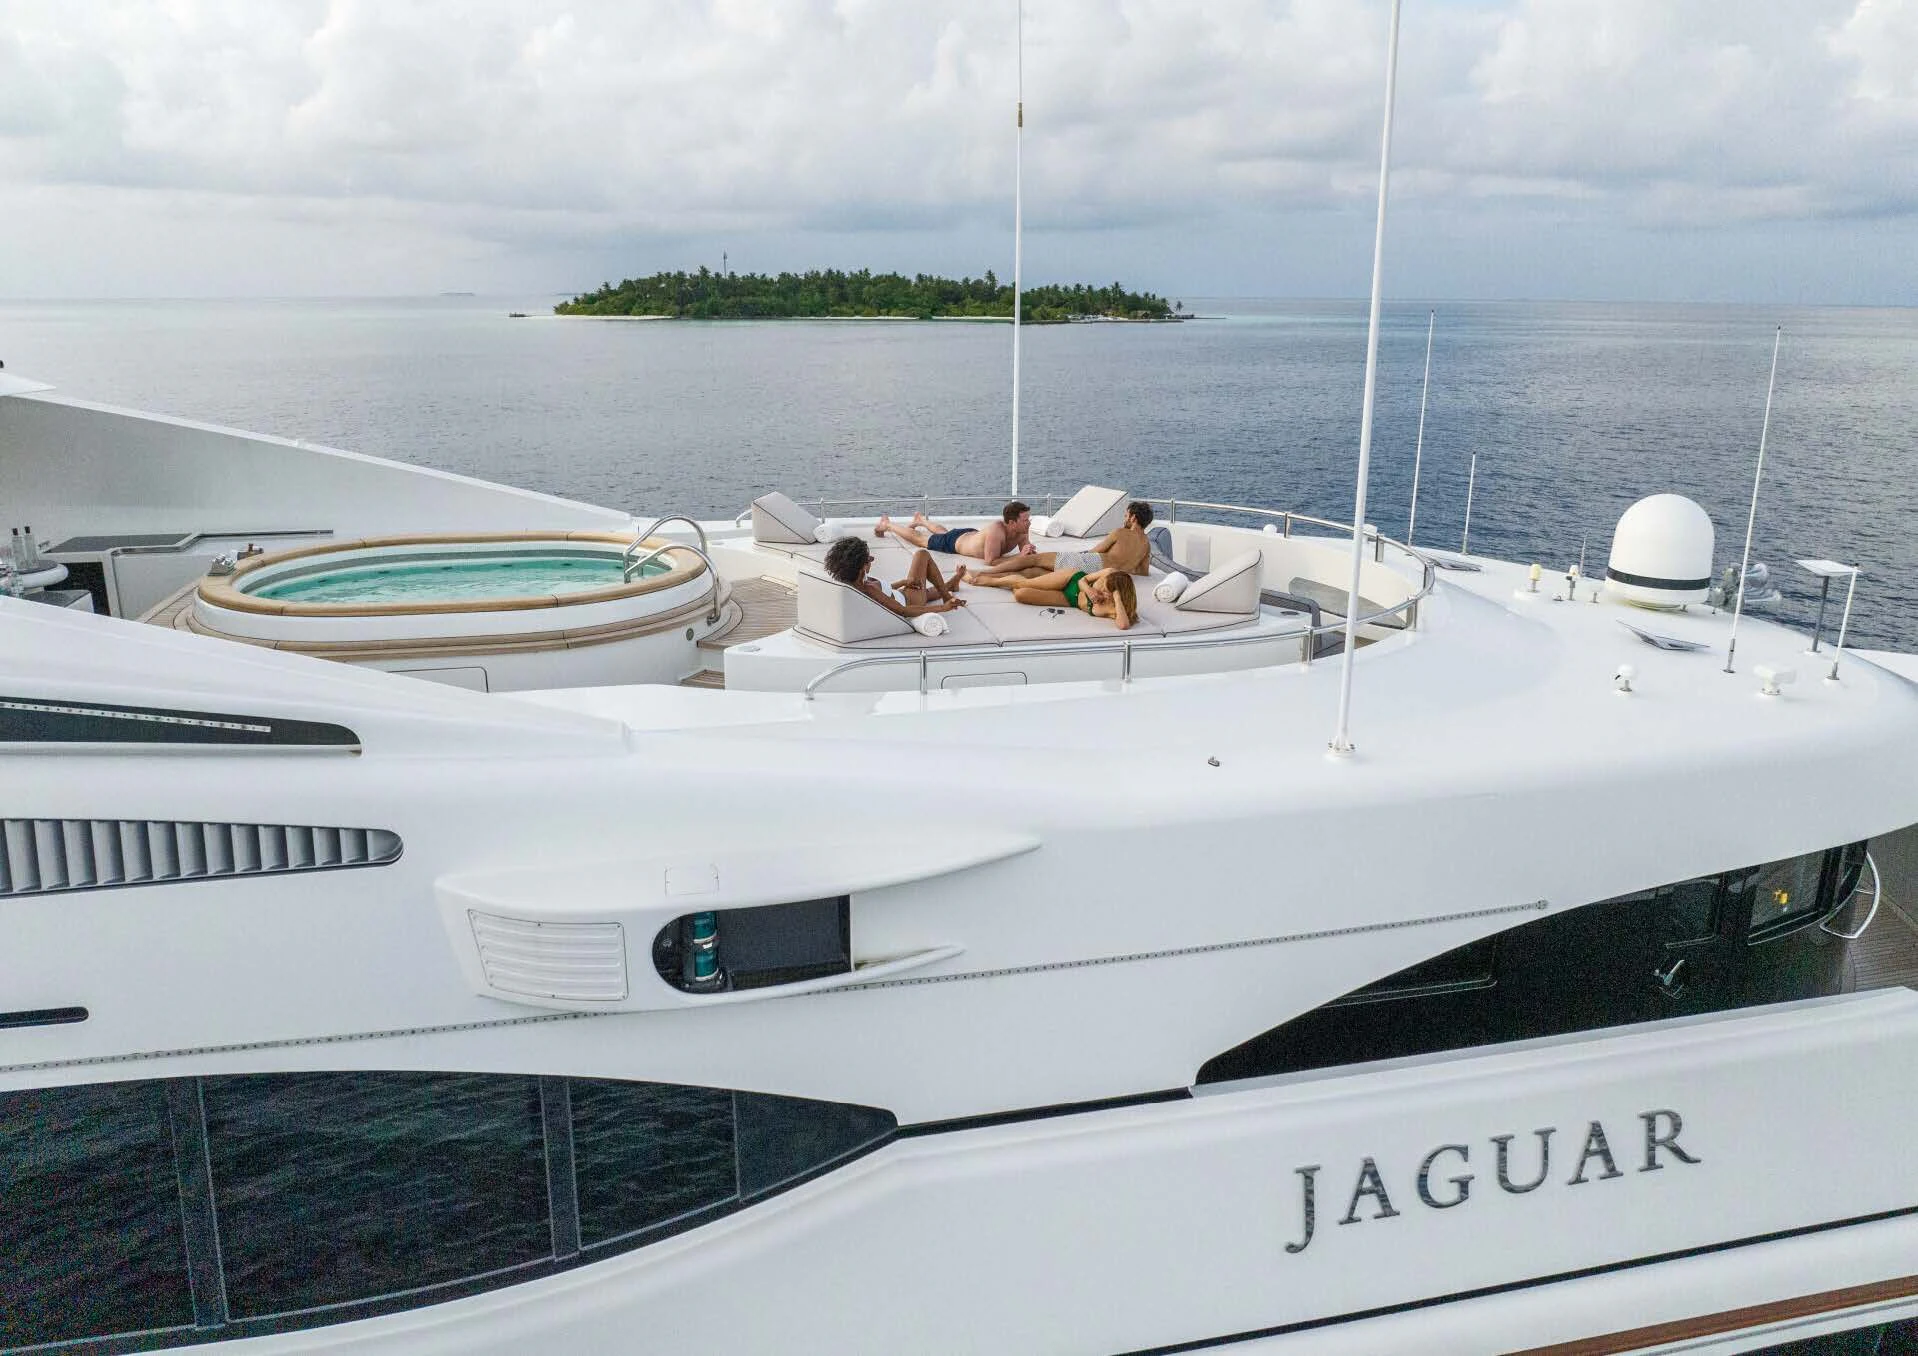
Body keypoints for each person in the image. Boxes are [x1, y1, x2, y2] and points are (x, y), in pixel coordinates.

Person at [963, 500, 1155, 587]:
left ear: (1133, 518)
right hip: (1101, 575)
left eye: (1126, 515)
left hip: (1091, 563)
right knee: (1035, 574)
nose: (1125, 518)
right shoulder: (1146, 544)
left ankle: (982, 574)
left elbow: (1097, 551)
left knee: (1035, 560)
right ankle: (983, 582)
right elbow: (1143, 572)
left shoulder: (1120, 533)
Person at [822, 536, 967, 618]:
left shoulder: (852, 580)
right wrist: (943, 607)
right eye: (869, 559)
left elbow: (884, 591)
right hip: (910, 601)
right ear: (862, 566)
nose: (872, 560)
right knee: (922, 555)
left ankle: (952, 584)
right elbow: (903, 611)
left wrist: (904, 582)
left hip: (902, 593)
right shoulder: (868, 589)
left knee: (924, 590)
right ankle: (947, 595)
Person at [876, 501, 1034, 564]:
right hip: (956, 543)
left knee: (943, 533)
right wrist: (1019, 556)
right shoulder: (997, 531)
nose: (1029, 522)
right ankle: (888, 524)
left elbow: (1027, 555)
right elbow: (990, 561)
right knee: (921, 540)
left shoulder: (1022, 531)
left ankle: (921, 520)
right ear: (1012, 523)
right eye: (1025, 520)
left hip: (969, 535)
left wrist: (1029, 553)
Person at [1011, 565, 1138, 630]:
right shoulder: (1110, 573)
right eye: (1102, 587)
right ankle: (994, 579)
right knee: (1022, 583)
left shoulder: (1116, 610)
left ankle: (1019, 579)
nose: (1102, 591)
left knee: (1020, 594)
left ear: (1118, 593)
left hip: (1069, 600)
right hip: (1072, 580)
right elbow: (1083, 580)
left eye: (1106, 591)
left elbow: (1123, 626)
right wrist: (1089, 590)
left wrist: (1117, 599)